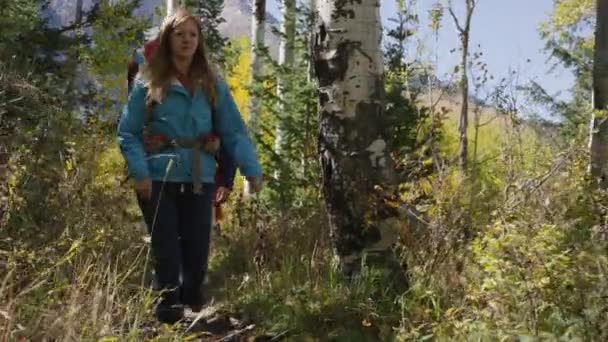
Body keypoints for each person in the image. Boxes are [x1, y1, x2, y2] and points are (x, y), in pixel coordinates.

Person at [117, 7, 263, 324]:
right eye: (179, 34)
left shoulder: (212, 84)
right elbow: (127, 132)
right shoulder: (149, 81)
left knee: (197, 253)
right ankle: (168, 315)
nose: (186, 40)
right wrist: (140, 174)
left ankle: (194, 310)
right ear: (168, 39)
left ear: (199, 41)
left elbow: (233, 131)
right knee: (166, 249)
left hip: (199, 176)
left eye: (192, 35)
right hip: (158, 176)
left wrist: (251, 169)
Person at [127, 35, 236, 233]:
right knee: (165, 245)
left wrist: (226, 178)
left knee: (191, 245)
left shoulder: (205, 84)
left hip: (197, 177)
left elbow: (226, 130)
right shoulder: (144, 90)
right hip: (158, 178)